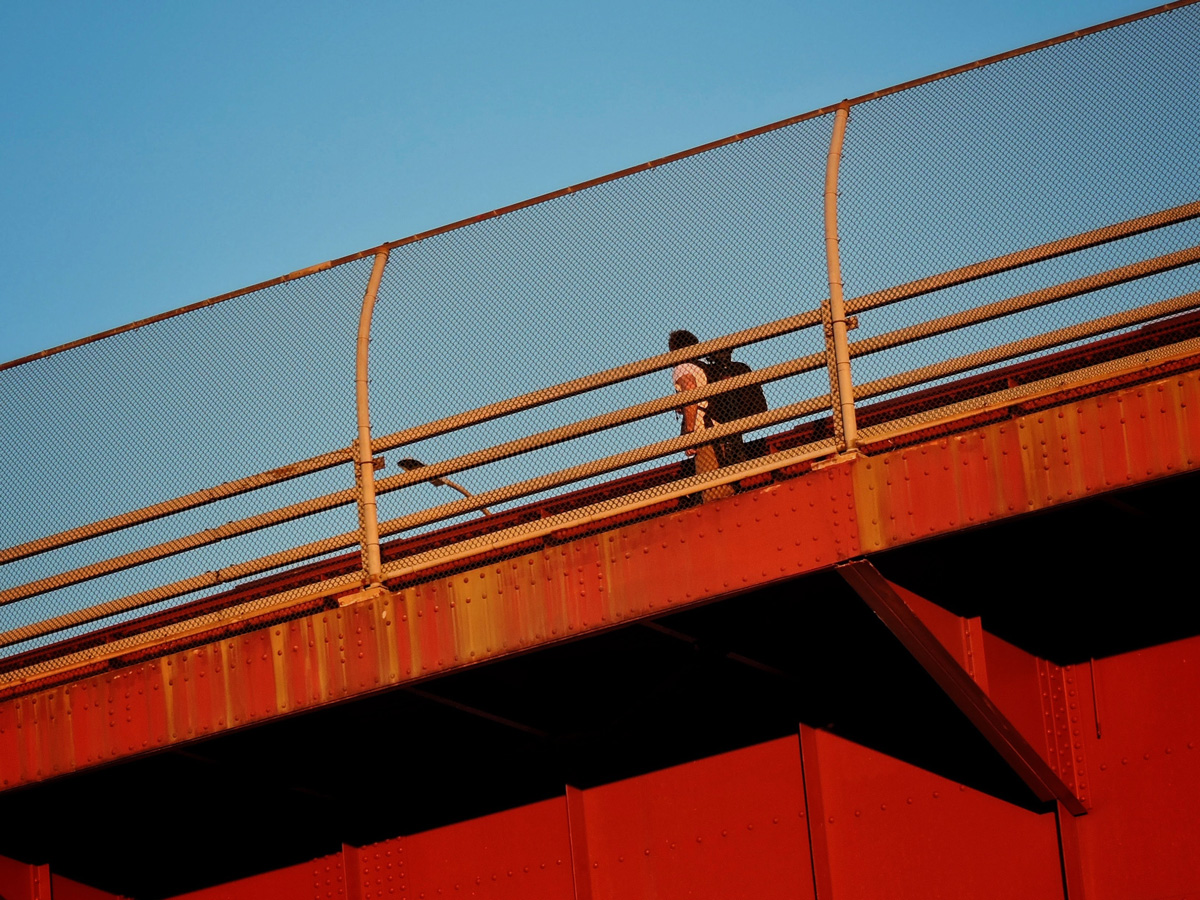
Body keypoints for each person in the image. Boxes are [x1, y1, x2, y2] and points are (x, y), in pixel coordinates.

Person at [669, 330, 735, 503]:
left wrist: (689, 433)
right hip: (720, 429)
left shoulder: (682, 367)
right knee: (725, 486)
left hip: (704, 434)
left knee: (714, 493)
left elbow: (691, 395)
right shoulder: (702, 367)